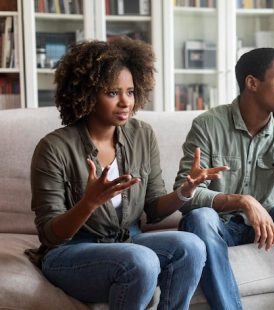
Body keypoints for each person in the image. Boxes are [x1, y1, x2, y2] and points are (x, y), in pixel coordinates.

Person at [26, 38, 228, 310]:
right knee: (141, 261)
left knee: (191, 245)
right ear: (86, 93)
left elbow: (154, 209)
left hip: (128, 240)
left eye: (130, 92)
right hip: (72, 252)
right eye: (112, 93)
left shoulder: (142, 134)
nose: (125, 102)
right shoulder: (54, 148)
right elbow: (51, 235)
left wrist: (185, 191)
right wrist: (88, 204)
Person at [174, 47, 274, 309]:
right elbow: (186, 196)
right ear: (252, 83)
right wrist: (244, 201)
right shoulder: (208, 125)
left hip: (266, 226)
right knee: (200, 217)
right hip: (220, 227)